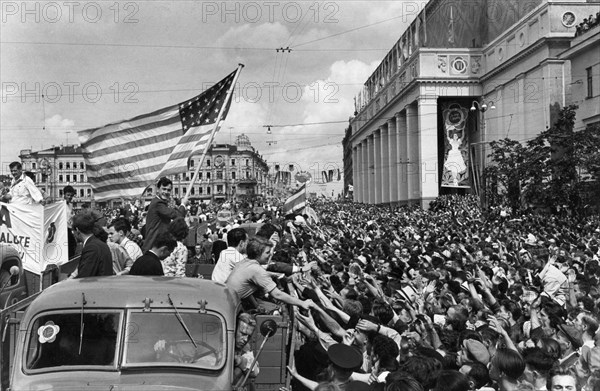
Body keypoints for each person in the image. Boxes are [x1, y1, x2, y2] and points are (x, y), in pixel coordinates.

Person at [225, 237, 315, 311]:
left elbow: (246, 291)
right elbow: (277, 294)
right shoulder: (256, 269)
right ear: (257, 253)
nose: (270, 255)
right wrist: (302, 303)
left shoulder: (244, 262)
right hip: (231, 309)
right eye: (267, 252)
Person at [142, 177, 186, 252]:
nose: (166, 192)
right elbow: (178, 216)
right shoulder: (158, 203)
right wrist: (183, 205)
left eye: (168, 190)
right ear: (158, 189)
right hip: (153, 246)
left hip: (158, 245)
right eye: (164, 189)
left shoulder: (160, 203)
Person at [71, 211, 113, 278]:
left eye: (72, 230)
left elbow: (84, 277)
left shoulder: (91, 248)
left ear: (77, 230)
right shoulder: (101, 244)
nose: (73, 233)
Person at [233, 313, 259, 386]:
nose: (245, 339)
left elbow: (255, 371)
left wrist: (240, 361)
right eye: (243, 334)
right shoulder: (221, 342)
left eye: (249, 336)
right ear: (234, 330)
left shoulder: (245, 347)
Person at [63, 185, 77, 259]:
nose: (69, 197)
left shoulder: (71, 205)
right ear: (64, 195)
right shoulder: (60, 204)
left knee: (73, 244)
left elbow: (71, 216)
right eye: (68, 195)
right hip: (63, 229)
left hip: (69, 228)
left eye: (71, 195)